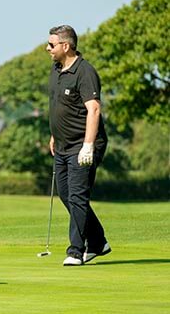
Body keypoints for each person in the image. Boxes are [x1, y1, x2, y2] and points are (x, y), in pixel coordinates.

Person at [46, 25, 111, 266]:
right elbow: (58, 105)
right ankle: (98, 242)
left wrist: (88, 145)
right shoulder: (56, 69)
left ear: (66, 45)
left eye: (51, 44)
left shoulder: (85, 72)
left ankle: (75, 251)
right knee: (67, 195)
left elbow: (93, 109)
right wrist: (54, 134)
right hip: (62, 145)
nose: (48, 48)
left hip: (82, 145)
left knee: (77, 196)